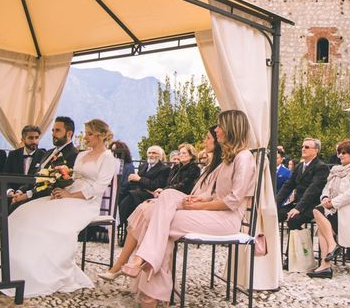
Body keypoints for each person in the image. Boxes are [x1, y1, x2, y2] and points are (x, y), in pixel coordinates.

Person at [98, 110, 256, 307]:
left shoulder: (244, 158)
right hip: (213, 211)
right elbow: (213, 193)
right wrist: (196, 199)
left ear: (231, 128)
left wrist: (201, 206)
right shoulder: (227, 159)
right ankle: (147, 268)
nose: (216, 130)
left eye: (219, 126)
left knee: (161, 221)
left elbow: (233, 200)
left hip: (226, 219)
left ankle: (147, 277)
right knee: (168, 196)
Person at [0, 119, 118, 297]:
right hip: (67, 194)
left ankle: (36, 269)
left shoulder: (108, 159)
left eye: (89, 133)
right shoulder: (81, 155)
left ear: (99, 135)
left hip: (86, 202)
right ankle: (5, 263)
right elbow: (71, 178)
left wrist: (70, 196)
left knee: (47, 224)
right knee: (24, 212)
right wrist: (62, 189)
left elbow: (98, 188)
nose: (85, 137)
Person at [308, 140, 350, 279]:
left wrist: (332, 203)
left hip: (349, 212)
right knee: (320, 216)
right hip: (335, 210)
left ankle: (327, 261)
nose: (340, 155)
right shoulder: (336, 170)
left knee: (318, 213)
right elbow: (326, 188)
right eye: (339, 152)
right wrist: (324, 198)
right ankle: (328, 256)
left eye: (344, 153)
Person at [0, 125, 47, 241]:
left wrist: (21, 193)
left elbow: (39, 181)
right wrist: (10, 192)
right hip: (12, 196)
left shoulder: (44, 156)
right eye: (31, 138)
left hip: (32, 196)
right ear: (23, 139)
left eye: (37, 138)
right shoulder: (13, 155)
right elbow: (5, 177)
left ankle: (12, 242)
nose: (34, 141)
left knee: (17, 209)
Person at [9, 116, 80, 209]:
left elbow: (54, 185)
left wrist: (27, 195)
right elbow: (35, 177)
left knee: (14, 207)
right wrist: (20, 191)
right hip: (33, 194)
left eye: (57, 130)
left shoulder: (73, 155)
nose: (53, 134)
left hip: (48, 198)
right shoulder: (48, 153)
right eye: (53, 130)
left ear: (69, 134)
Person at [276, 138, 329, 230]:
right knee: (274, 214)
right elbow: (288, 186)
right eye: (302, 146)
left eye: (307, 147)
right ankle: (274, 244)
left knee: (293, 220)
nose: (303, 149)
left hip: (312, 205)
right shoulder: (299, 166)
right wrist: (275, 203)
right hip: (298, 202)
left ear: (316, 150)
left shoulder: (321, 167)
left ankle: (304, 243)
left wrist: (298, 208)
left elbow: (313, 190)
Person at [118, 145, 170, 225]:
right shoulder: (142, 166)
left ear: (160, 156)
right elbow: (137, 181)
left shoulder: (164, 169)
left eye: (154, 153)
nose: (151, 155)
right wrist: (132, 179)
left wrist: (139, 179)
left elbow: (156, 184)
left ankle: (118, 223)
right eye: (149, 153)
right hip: (137, 192)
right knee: (121, 195)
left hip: (150, 194)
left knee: (128, 200)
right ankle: (119, 223)